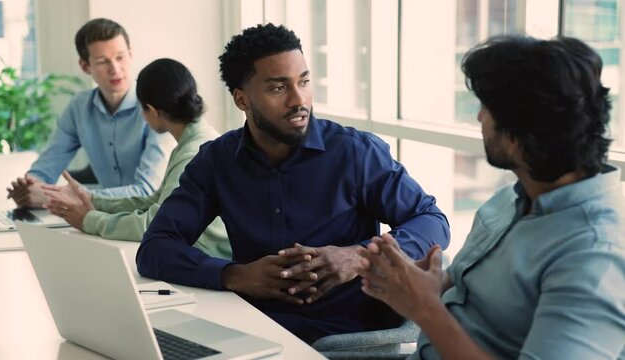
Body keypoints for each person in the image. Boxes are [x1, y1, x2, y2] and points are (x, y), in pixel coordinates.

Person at [136, 23, 450, 344]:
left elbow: (432, 220)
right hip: (252, 332)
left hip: (343, 339)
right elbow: (156, 248)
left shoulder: (355, 152)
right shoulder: (216, 161)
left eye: (304, 81)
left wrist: (359, 257)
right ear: (242, 100)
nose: (298, 100)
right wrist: (236, 275)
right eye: (278, 88)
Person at [359, 35, 625, 359]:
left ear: (518, 138)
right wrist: (421, 282)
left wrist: (424, 309)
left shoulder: (595, 255)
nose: (479, 119)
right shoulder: (509, 200)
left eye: (486, 109)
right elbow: (476, 300)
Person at [39, 58, 231, 259]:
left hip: (210, 259)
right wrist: (92, 199)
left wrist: (89, 220)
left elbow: (155, 223)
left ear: (153, 111)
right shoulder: (193, 141)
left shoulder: (193, 152)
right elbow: (155, 201)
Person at [6, 18, 171, 208]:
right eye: (102, 61)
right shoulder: (79, 108)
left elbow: (146, 192)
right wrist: (30, 188)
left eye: (120, 57)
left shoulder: (157, 109)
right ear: (85, 66)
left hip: (154, 221)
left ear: (131, 54)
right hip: (105, 219)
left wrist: (64, 197)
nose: (115, 69)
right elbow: (46, 168)